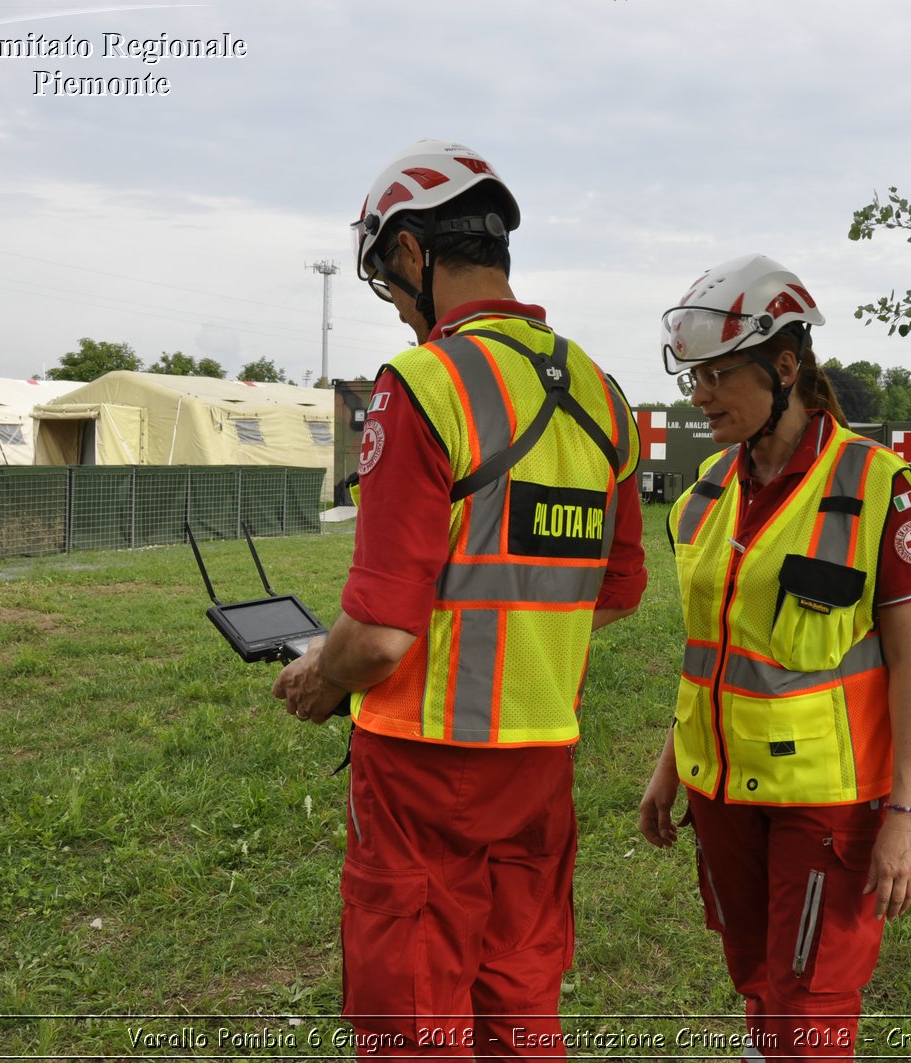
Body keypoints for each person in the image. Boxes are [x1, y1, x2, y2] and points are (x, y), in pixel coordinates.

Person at [273, 139, 646, 1057]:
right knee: (520, 1007)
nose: (400, 314)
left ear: (412, 254)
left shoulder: (423, 388)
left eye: (390, 285)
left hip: (420, 774)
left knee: (413, 1021)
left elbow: (381, 636)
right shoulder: (605, 395)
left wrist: (324, 676)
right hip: (540, 766)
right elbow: (616, 588)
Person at [637, 254, 911, 1060]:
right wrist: (671, 765)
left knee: (813, 1001)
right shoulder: (705, 489)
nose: (697, 395)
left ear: (785, 366)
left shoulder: (878, 486)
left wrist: (907, 812)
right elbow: (711, 649)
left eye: (716, 375)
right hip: (722, 791)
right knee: (759, 977)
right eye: (694, 376)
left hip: (828, 804)